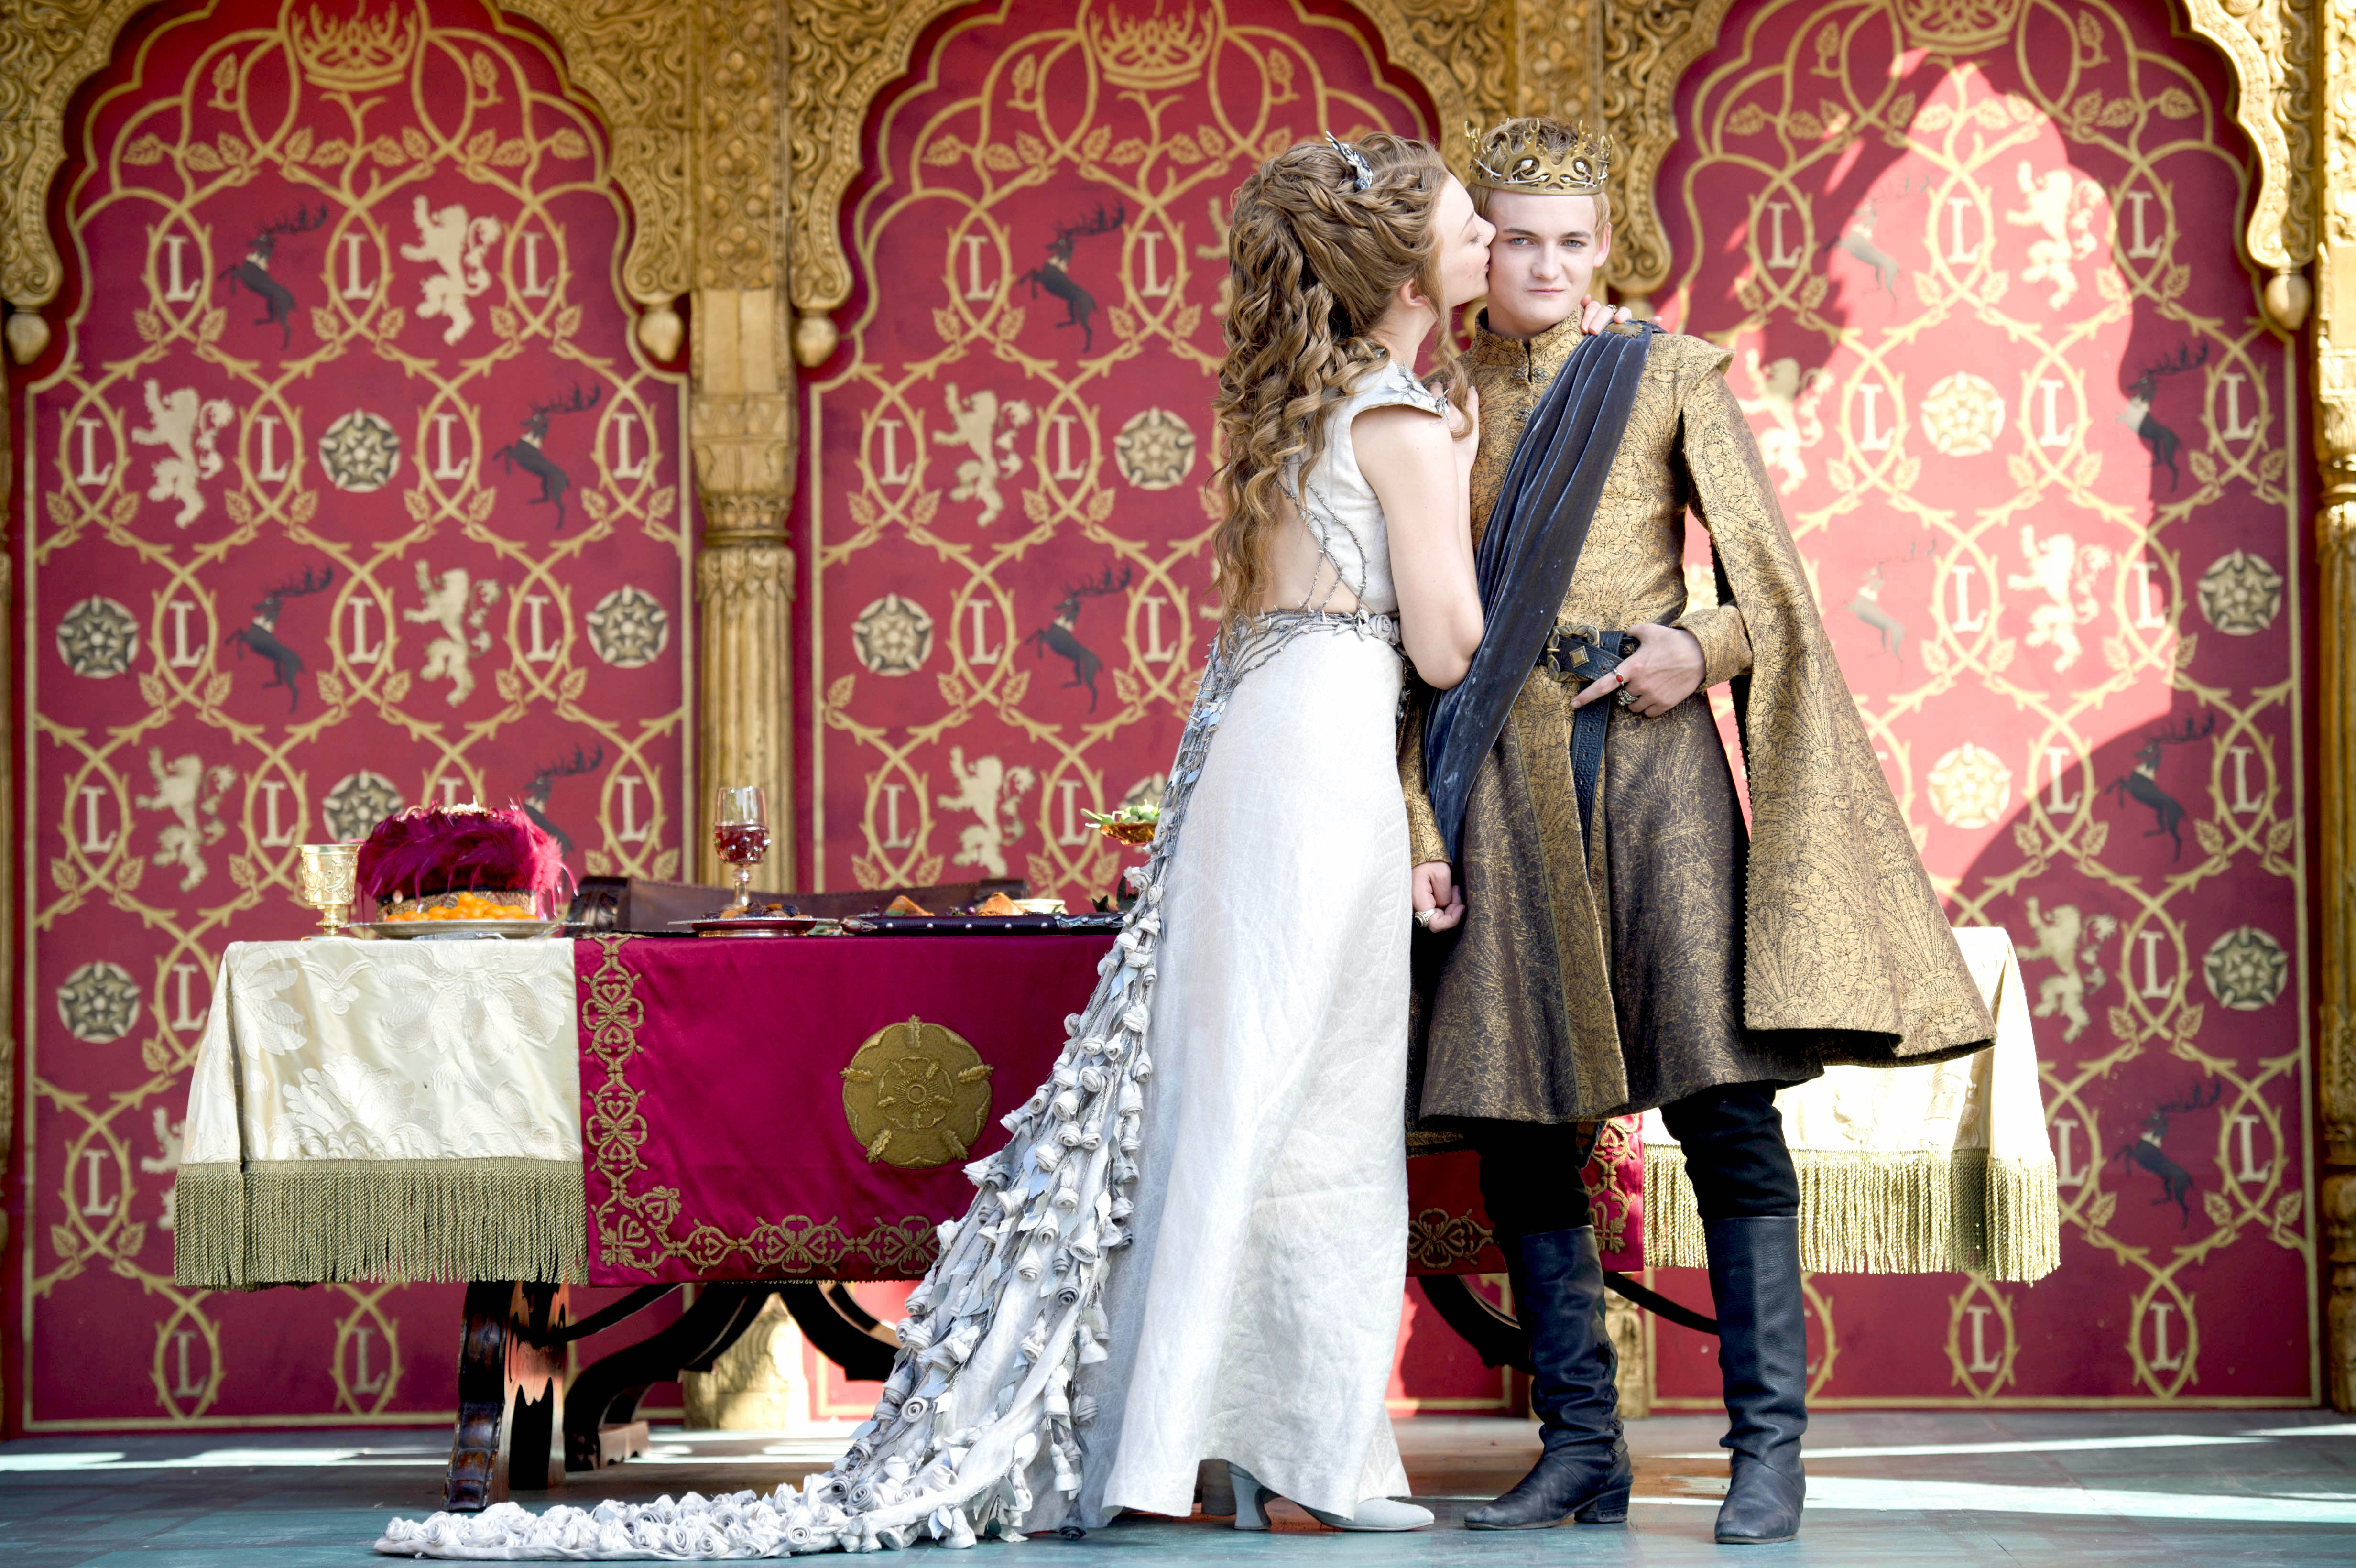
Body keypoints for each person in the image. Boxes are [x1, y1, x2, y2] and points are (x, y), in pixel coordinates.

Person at [374, 131, 1583, 1563]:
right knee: (1316, 1117)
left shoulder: (1312, 407)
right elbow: (1445, 646)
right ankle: (1292, 1454)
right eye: (1465, 223)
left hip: (1264, 746)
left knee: (1228, 1102)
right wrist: (1501, 517)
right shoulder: (1407, 424)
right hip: (1324, 759)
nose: (1485, 239)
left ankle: (1200, 1445)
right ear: (1402, 270)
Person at [1400, 119, 1996, 1547]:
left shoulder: (1664, 375)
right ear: (1479, 247)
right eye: (1517, 239)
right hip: (1501, 780)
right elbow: (1397, 638)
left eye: (1571, 242)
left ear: (1606, 248)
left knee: (1724, 1111)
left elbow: (1771, 587)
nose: (1545, 266)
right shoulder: (1433, 399)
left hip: (1659, 771)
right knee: (1522, 1124)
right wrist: (1422, 814)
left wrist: (1698, 648)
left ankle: (1767, 1455)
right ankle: (1579, 1450)